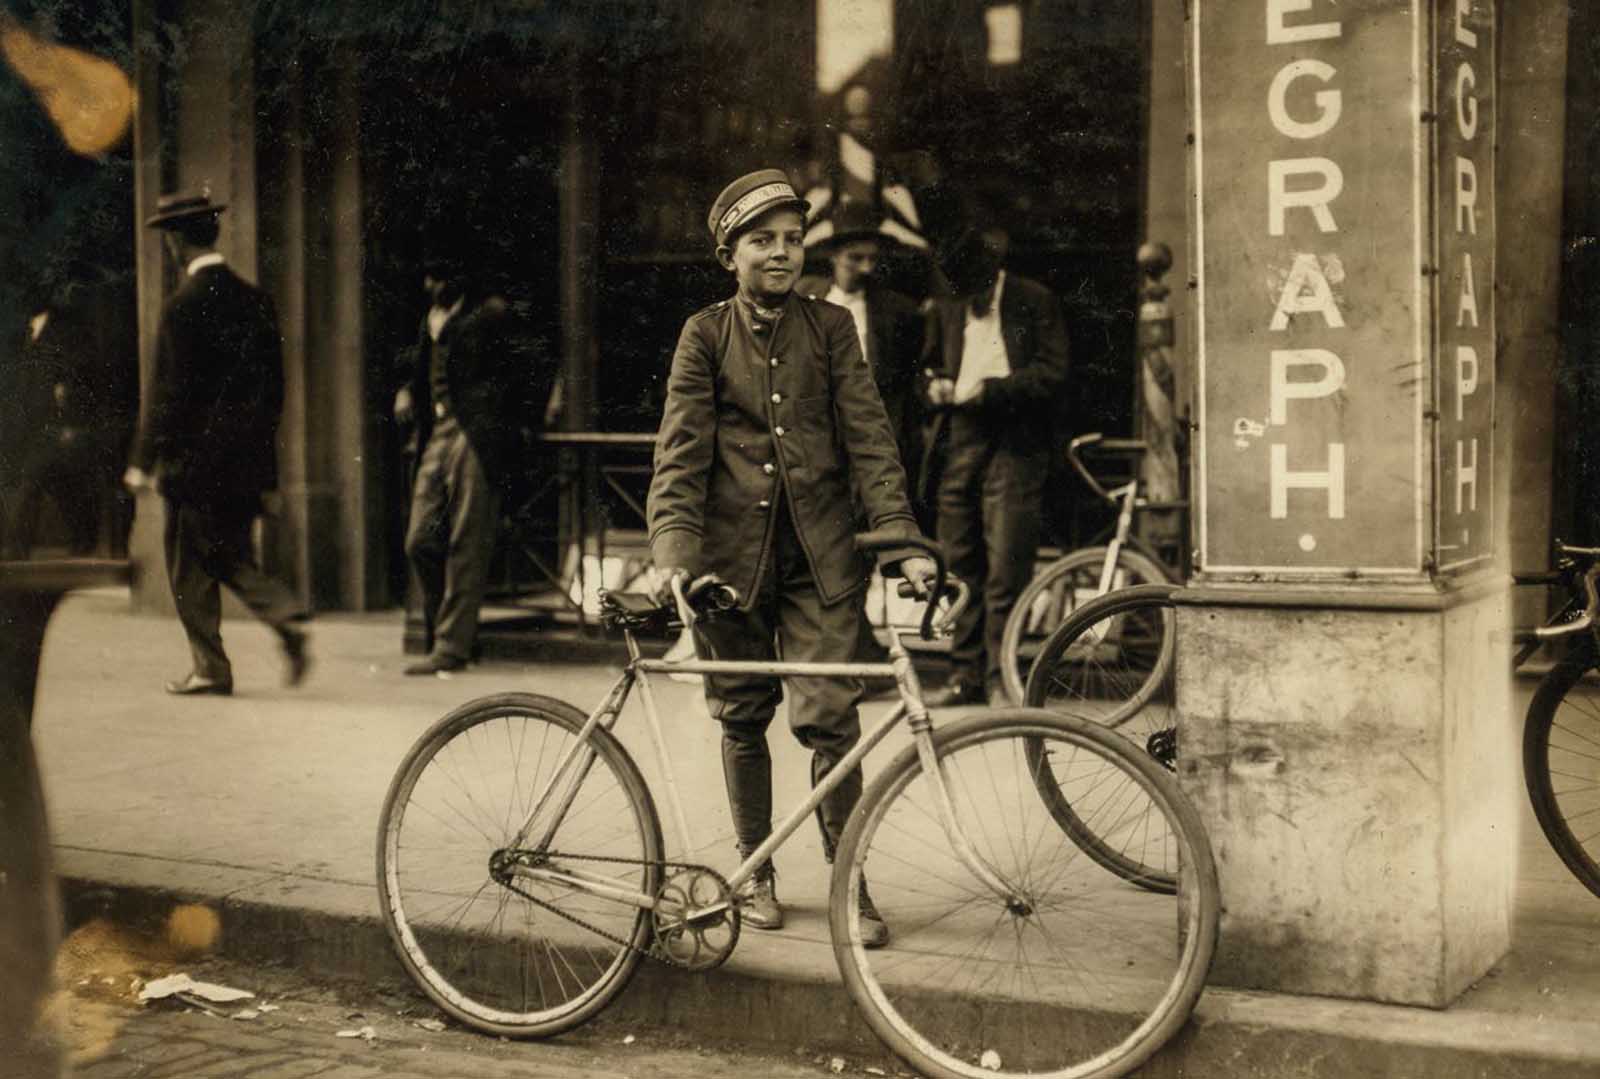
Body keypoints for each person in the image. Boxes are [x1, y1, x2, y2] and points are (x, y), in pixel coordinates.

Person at [646, 169, 937, 945]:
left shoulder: (832, 328)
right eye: (761, 240)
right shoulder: (703, 335)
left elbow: (872, 439)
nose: (781, 253)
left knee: (830, 717)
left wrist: (902, 541)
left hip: (821, 560)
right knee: (742, 714)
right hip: (729, 566)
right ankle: (754, 872)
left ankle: (849, 879)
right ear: (728, 254)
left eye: (790, 238)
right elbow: (678, 458)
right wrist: (675, 555)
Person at [124, 191, 308, 696]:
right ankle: (278, 616)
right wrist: (266, 474)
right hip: (244, 463)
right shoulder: (256, 301)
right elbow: (273, 396)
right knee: (227, 552)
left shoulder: (181, 306)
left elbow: (168, 393)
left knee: (191, 564)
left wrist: (143, 462)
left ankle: (216, 663)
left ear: (178, 244)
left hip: (193, 466)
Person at [920, 225, 1070, 707]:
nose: (972, 302)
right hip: (960, 438)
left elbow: (1052, 373)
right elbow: (926, 369)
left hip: (1014, 440)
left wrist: (990, 390)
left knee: (1007, 562)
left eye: (978, 291)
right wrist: (937, 387)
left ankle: (1001, 677)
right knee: (958, 561)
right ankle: (965, 675)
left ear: (994, 275)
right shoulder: (948, 308)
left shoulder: (1032, 299)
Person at [394, 233, 550, 675]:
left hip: (476, 437)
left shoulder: (492, 315)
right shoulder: (432, 319)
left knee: (467, 540)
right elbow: (422, 370)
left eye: (439, 278)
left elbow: (532, 370)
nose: (431, 286)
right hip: (438, 434)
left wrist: (512, 424)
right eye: (429, 278)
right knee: (420, 540)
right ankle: (453, 635)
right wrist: (407, 390)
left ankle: (452, 647)